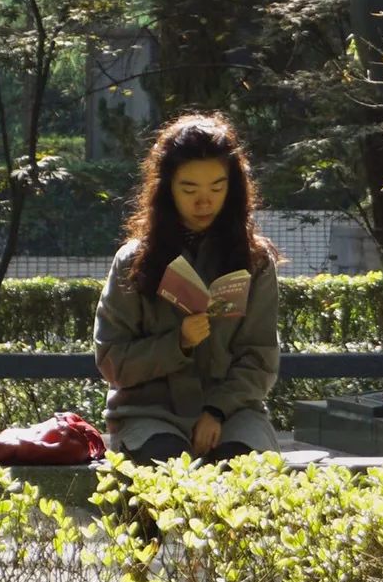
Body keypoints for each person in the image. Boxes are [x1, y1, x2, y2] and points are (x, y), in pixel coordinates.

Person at [94, 112, 280, 463]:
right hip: (149, 415)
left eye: (217, 187)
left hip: (235, 415)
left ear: (234, 187)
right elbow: (111, 360)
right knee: (168, 475)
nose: (204, 201)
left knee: (240, 479)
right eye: (189, 189)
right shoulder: (134, 260)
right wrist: (176, 343)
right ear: (166, 188)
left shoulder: (255, 261)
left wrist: (217, 411)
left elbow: (260, 359)